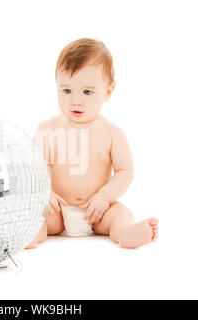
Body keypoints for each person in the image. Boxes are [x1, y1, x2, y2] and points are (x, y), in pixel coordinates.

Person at [26, 38, 158, 249]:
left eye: (87, 92)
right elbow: (33, 170)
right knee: (37, 217)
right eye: (66, 90)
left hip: (96, 211)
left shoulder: (112, 132)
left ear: (108, 91)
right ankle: (29, 236)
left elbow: (125, 171)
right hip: (58, 209)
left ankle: (126, 232)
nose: (76, 100)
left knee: (118, 214)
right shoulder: (47, 129)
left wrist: (104, 198)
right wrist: (45, 193)